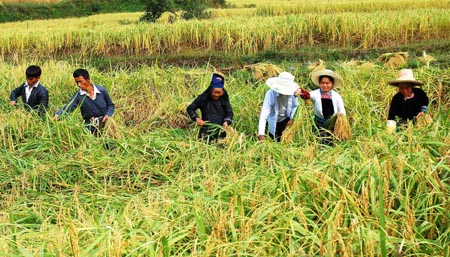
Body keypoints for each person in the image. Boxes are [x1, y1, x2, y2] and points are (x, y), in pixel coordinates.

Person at [54, 68, 115, 135]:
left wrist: (108, 115)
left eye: (80, 81)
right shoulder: (78, 96)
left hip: (106, 125)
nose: (79, 85)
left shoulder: (101, 90)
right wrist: (57, 115)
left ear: (88, 80)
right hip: (89, 127)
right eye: (77, 82)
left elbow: (110, 105)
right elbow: (68, 107)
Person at [257, 72, 307, 142]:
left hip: (285, 121)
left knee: (284, 141)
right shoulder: (270, 94)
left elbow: (295, 106)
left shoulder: (292, 93)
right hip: (273, 121)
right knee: (273, 139)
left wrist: (292, 118)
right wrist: (261, 134)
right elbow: (264, 113)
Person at [302, 69, 346, 145]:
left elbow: (341, 109)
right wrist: (301, 92)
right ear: (319, 84)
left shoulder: (336, 96)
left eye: (327, 83)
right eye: (322, 83)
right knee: (319, 141)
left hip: (333, 124)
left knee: (332, 141)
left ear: (332, 84)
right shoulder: (315, 94)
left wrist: (342, 121)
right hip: (319, 123)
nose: (325, 85)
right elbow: (307, 95)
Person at [187, 73, 233, 142]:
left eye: (219, 93)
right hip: (206, 132)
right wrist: (197, 119)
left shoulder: (224, 99)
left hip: (221, 132)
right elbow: (190, 108)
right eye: (215, 92)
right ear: (211, 90)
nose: (217, 95)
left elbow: (229, 112)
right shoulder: (203, 98)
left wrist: (226, 122)